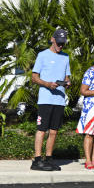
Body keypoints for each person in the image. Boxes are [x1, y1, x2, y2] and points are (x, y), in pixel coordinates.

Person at [30, 28, 71, 171]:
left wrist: (67, 82)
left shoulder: (66, 57)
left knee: (54, 131)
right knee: (42, 130)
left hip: (59, 99)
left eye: (63, 43)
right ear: (52, 39)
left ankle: (48, 159)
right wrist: (47, 84)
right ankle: (36, 161)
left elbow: (67, 77)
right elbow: (34, 77)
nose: (60, 45)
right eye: (59, 42)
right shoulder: (42, 55)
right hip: (45, 99)